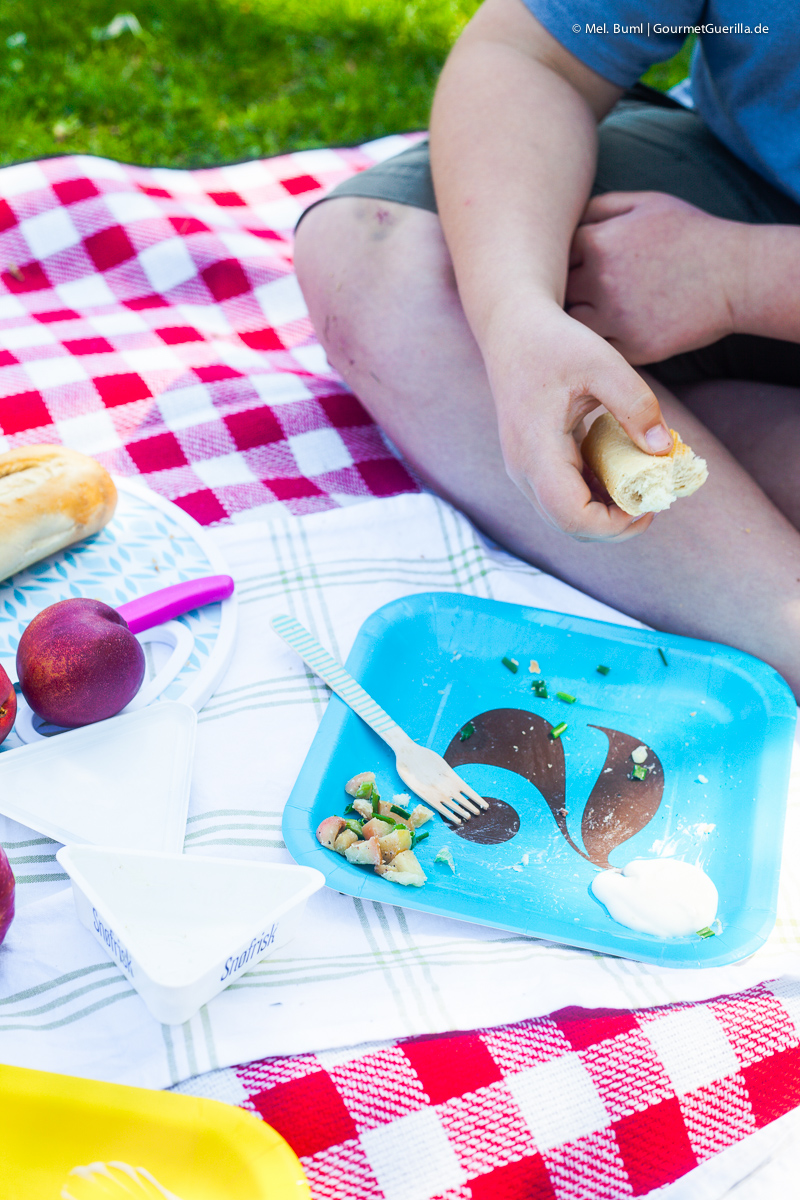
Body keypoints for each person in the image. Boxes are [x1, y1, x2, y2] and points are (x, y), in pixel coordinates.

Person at [294, 0, 800, 695]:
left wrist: (742, 277)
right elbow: (531, 54)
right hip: (751, 182)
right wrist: (515, 315)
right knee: (377, 250)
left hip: (749, 253)